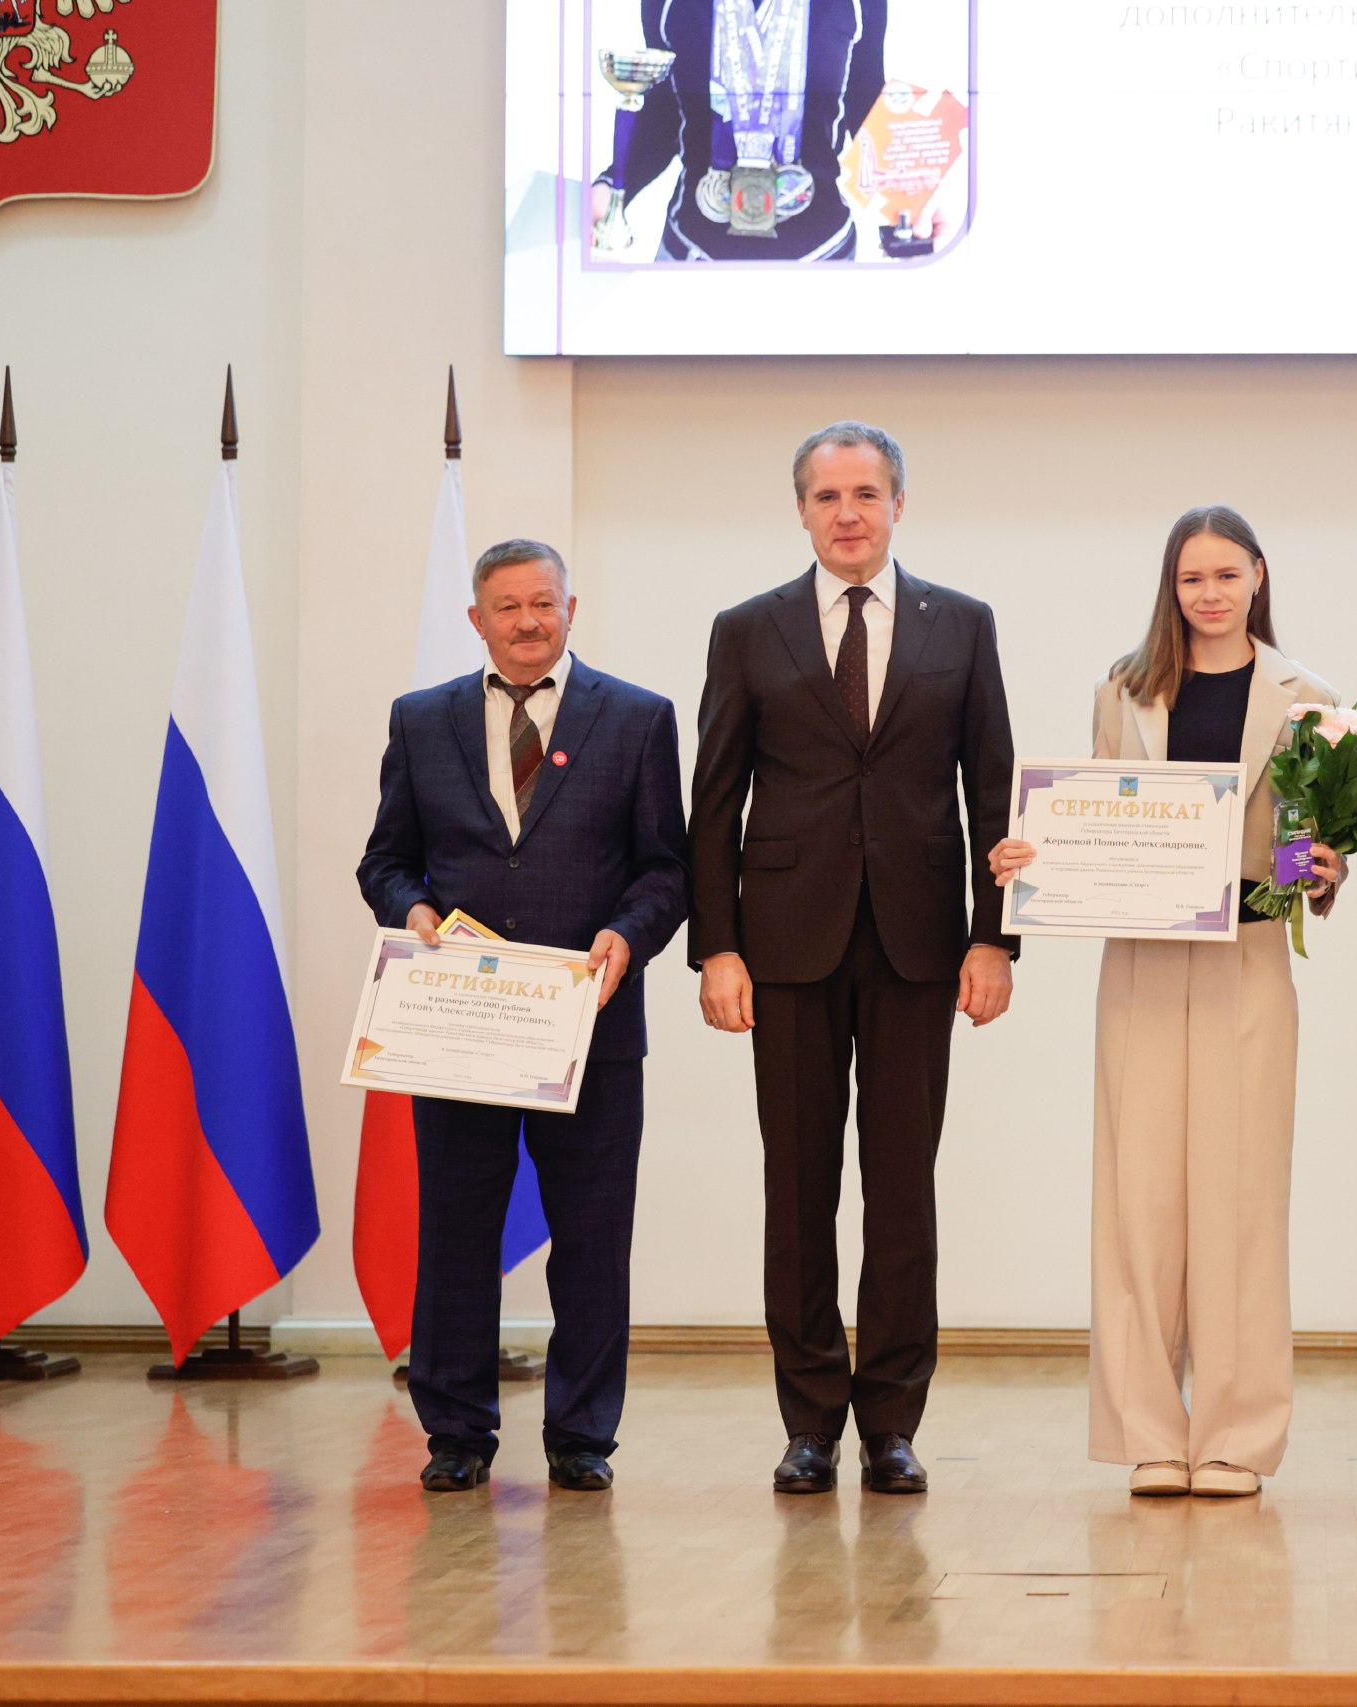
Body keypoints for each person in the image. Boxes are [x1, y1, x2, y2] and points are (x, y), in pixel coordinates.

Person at [989, 506, 1345, 1500]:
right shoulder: (1124, 687)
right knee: (1137, 1198)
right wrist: (1033, 856)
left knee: (1240, 1202)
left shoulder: (1307, 697)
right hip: (1142, 962)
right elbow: (1097, 821)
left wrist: (1316, 868)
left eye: (1227, 574)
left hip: (1248, 958)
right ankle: (1149, 1433)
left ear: (1258, 577)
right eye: (1192, 577)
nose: (1210, 593)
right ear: (1171, 586)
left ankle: (1234, 1437)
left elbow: (1301, 840)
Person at [690, 420, 1017, 1496]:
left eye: (866, 494)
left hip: (922, 946)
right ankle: (807, 1420)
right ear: (800, 510)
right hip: (783, 946)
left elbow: (992, 790)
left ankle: (891, 1422)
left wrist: (993, 936)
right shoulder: (748, 630)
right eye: (827, 497)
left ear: (897, 504)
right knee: (798, 1186)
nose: (847, 514)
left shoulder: (961, 626)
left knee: (901, 1188)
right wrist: (717, 948)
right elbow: (713, 803)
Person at [356, 539, 692, 1493]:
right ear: (477, 620)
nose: (528, 621)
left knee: (592, 1239)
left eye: (544, 602)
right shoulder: (422, 722)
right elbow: (384, 860)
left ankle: (583, 1436)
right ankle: (455, 1432)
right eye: (508, 607)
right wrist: (410, 909)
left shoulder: (636, 719)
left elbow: (667, 867)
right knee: (456, 1231)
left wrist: (629, 936)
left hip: (589, 1024)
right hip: (460, 1025)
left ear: (571, 608)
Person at [593, 0, 887, 262]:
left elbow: (866, 98)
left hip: (823, 255)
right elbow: (666, 109)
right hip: (693, 254)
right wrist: (613, 187)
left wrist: (912, 196)